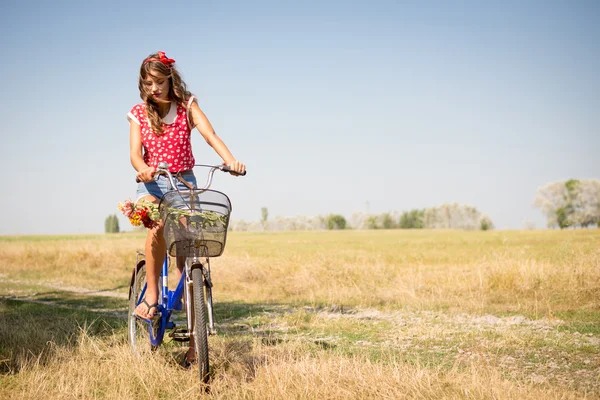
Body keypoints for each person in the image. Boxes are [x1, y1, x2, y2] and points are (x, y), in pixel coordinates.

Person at [127, 51, 245, 365]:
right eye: (149, 83)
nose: (155, 88)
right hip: (153, 184)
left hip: (185, 182)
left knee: (188, 243)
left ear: (171, 79)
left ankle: (194, 333)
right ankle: (152, 294)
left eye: (161, 82)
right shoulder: (139, 113)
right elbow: (135, 155)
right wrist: (143, 169)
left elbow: (210, 135)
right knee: (157, 225)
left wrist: (230, 160)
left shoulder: (188, 106)